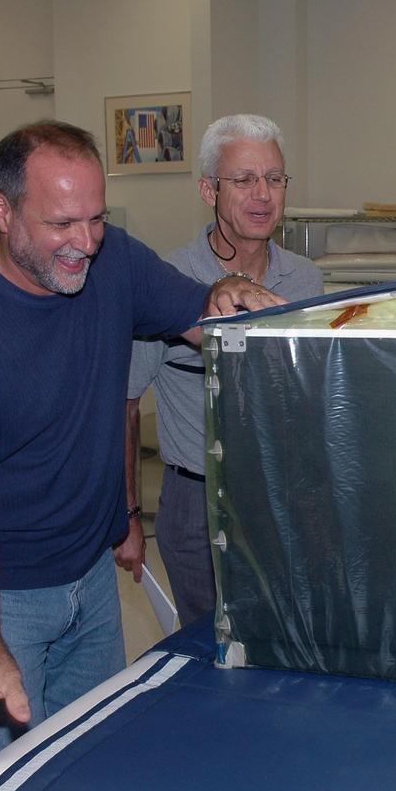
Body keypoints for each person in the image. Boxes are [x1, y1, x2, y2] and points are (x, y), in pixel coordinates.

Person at [0, 119, 285, 791]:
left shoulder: (113, 264)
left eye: (96, 218)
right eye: (61, 223)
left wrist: (228, 296)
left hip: (90, 578)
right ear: (2, 210)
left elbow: (199, 312)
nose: (85, 241)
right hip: (3, 593)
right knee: (1, 786)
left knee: (91, 767)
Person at [125, 114, 322, 628]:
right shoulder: (167, 283)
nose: (263, 195)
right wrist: (126, 515)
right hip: (197, 501)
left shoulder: (305, 279)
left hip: (283, 492)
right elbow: (123, 406)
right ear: (208, 189)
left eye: (274, 179)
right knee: (206, 647)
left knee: (285, 637)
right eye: (244, 180)